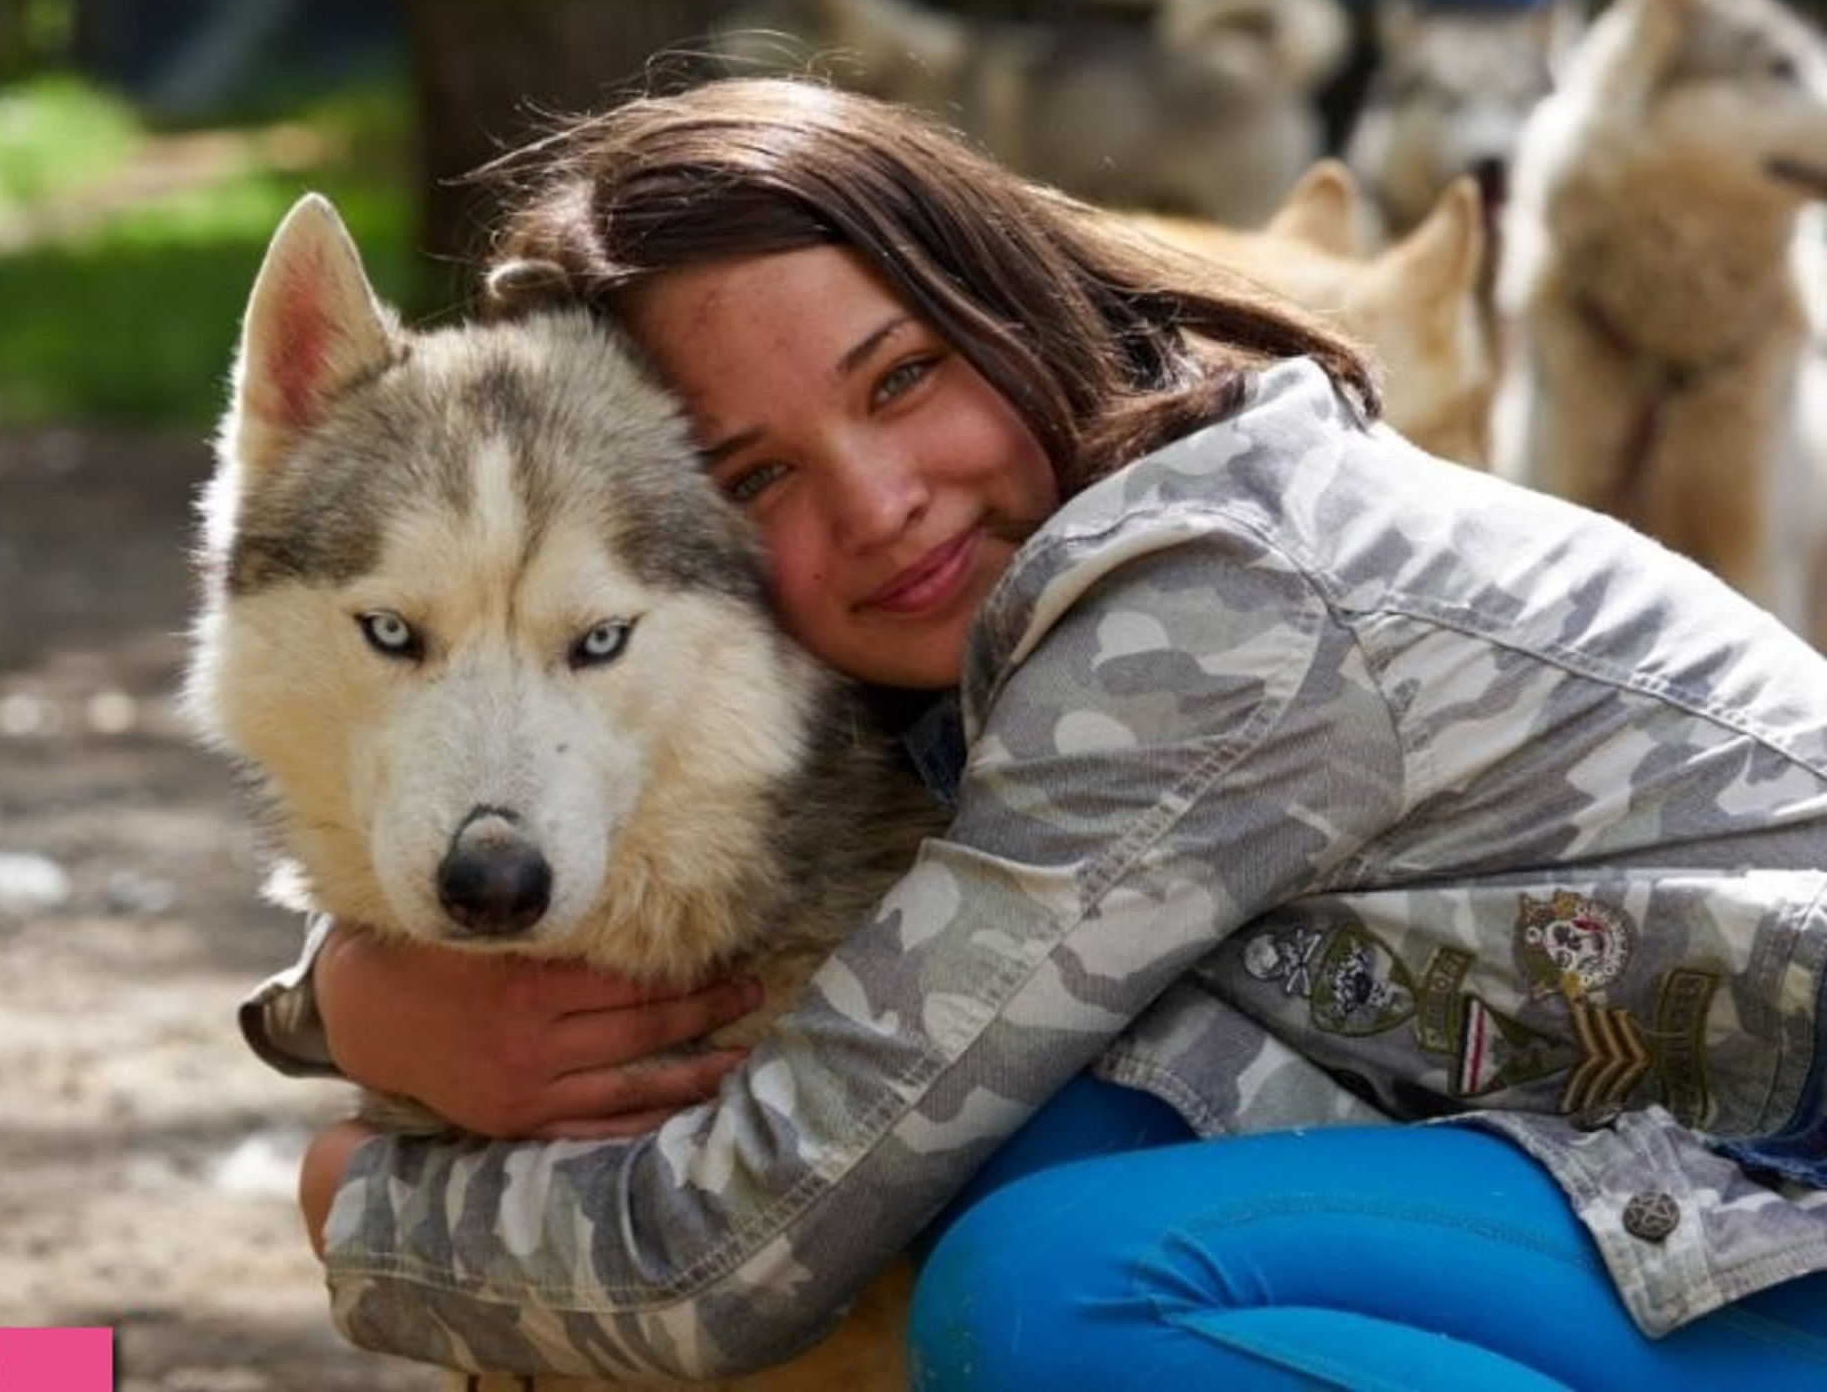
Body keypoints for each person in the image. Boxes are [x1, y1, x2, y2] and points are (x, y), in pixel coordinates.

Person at [246, 74, 1827, 1387]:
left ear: (997, 290)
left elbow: (740, 1249)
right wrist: (354, 1005)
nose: (877, 505)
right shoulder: (1002, 604)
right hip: (1676, 1170)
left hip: (1790, 1199)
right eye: (757, 476)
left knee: (1059, 1286)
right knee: (1038, 1136)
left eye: (905, 377)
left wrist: (355, 1199)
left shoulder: (1206, 612)